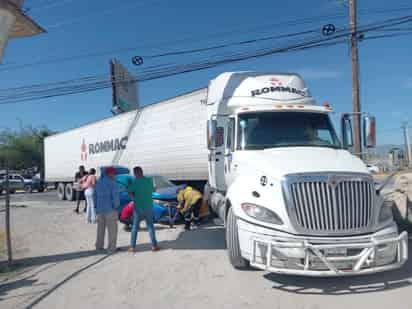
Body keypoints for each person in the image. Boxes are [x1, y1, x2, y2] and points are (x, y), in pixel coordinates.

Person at [127, 166, 159, 252]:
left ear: (136, 173)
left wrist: (133, 197)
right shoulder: (149, 180)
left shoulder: (134, 182)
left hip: (138, 208)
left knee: (135, 227)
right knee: (150, 226)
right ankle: (154, 246)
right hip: (148, 206)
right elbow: (153, 190)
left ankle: (132, 247)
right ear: (142, 171)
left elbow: (129, 192)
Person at [94, 167, 120, 253]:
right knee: (112, 230)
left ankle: (99, 247)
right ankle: (111, 248)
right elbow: (115, 197)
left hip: (100, 209)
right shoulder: (113, 183)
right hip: (110, 210)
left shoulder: (98, 183)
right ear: (110, 174)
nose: (115, 175)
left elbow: (95, 196)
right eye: (114, 173)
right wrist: (116, 206)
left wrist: (96, 207)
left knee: (100, 229)